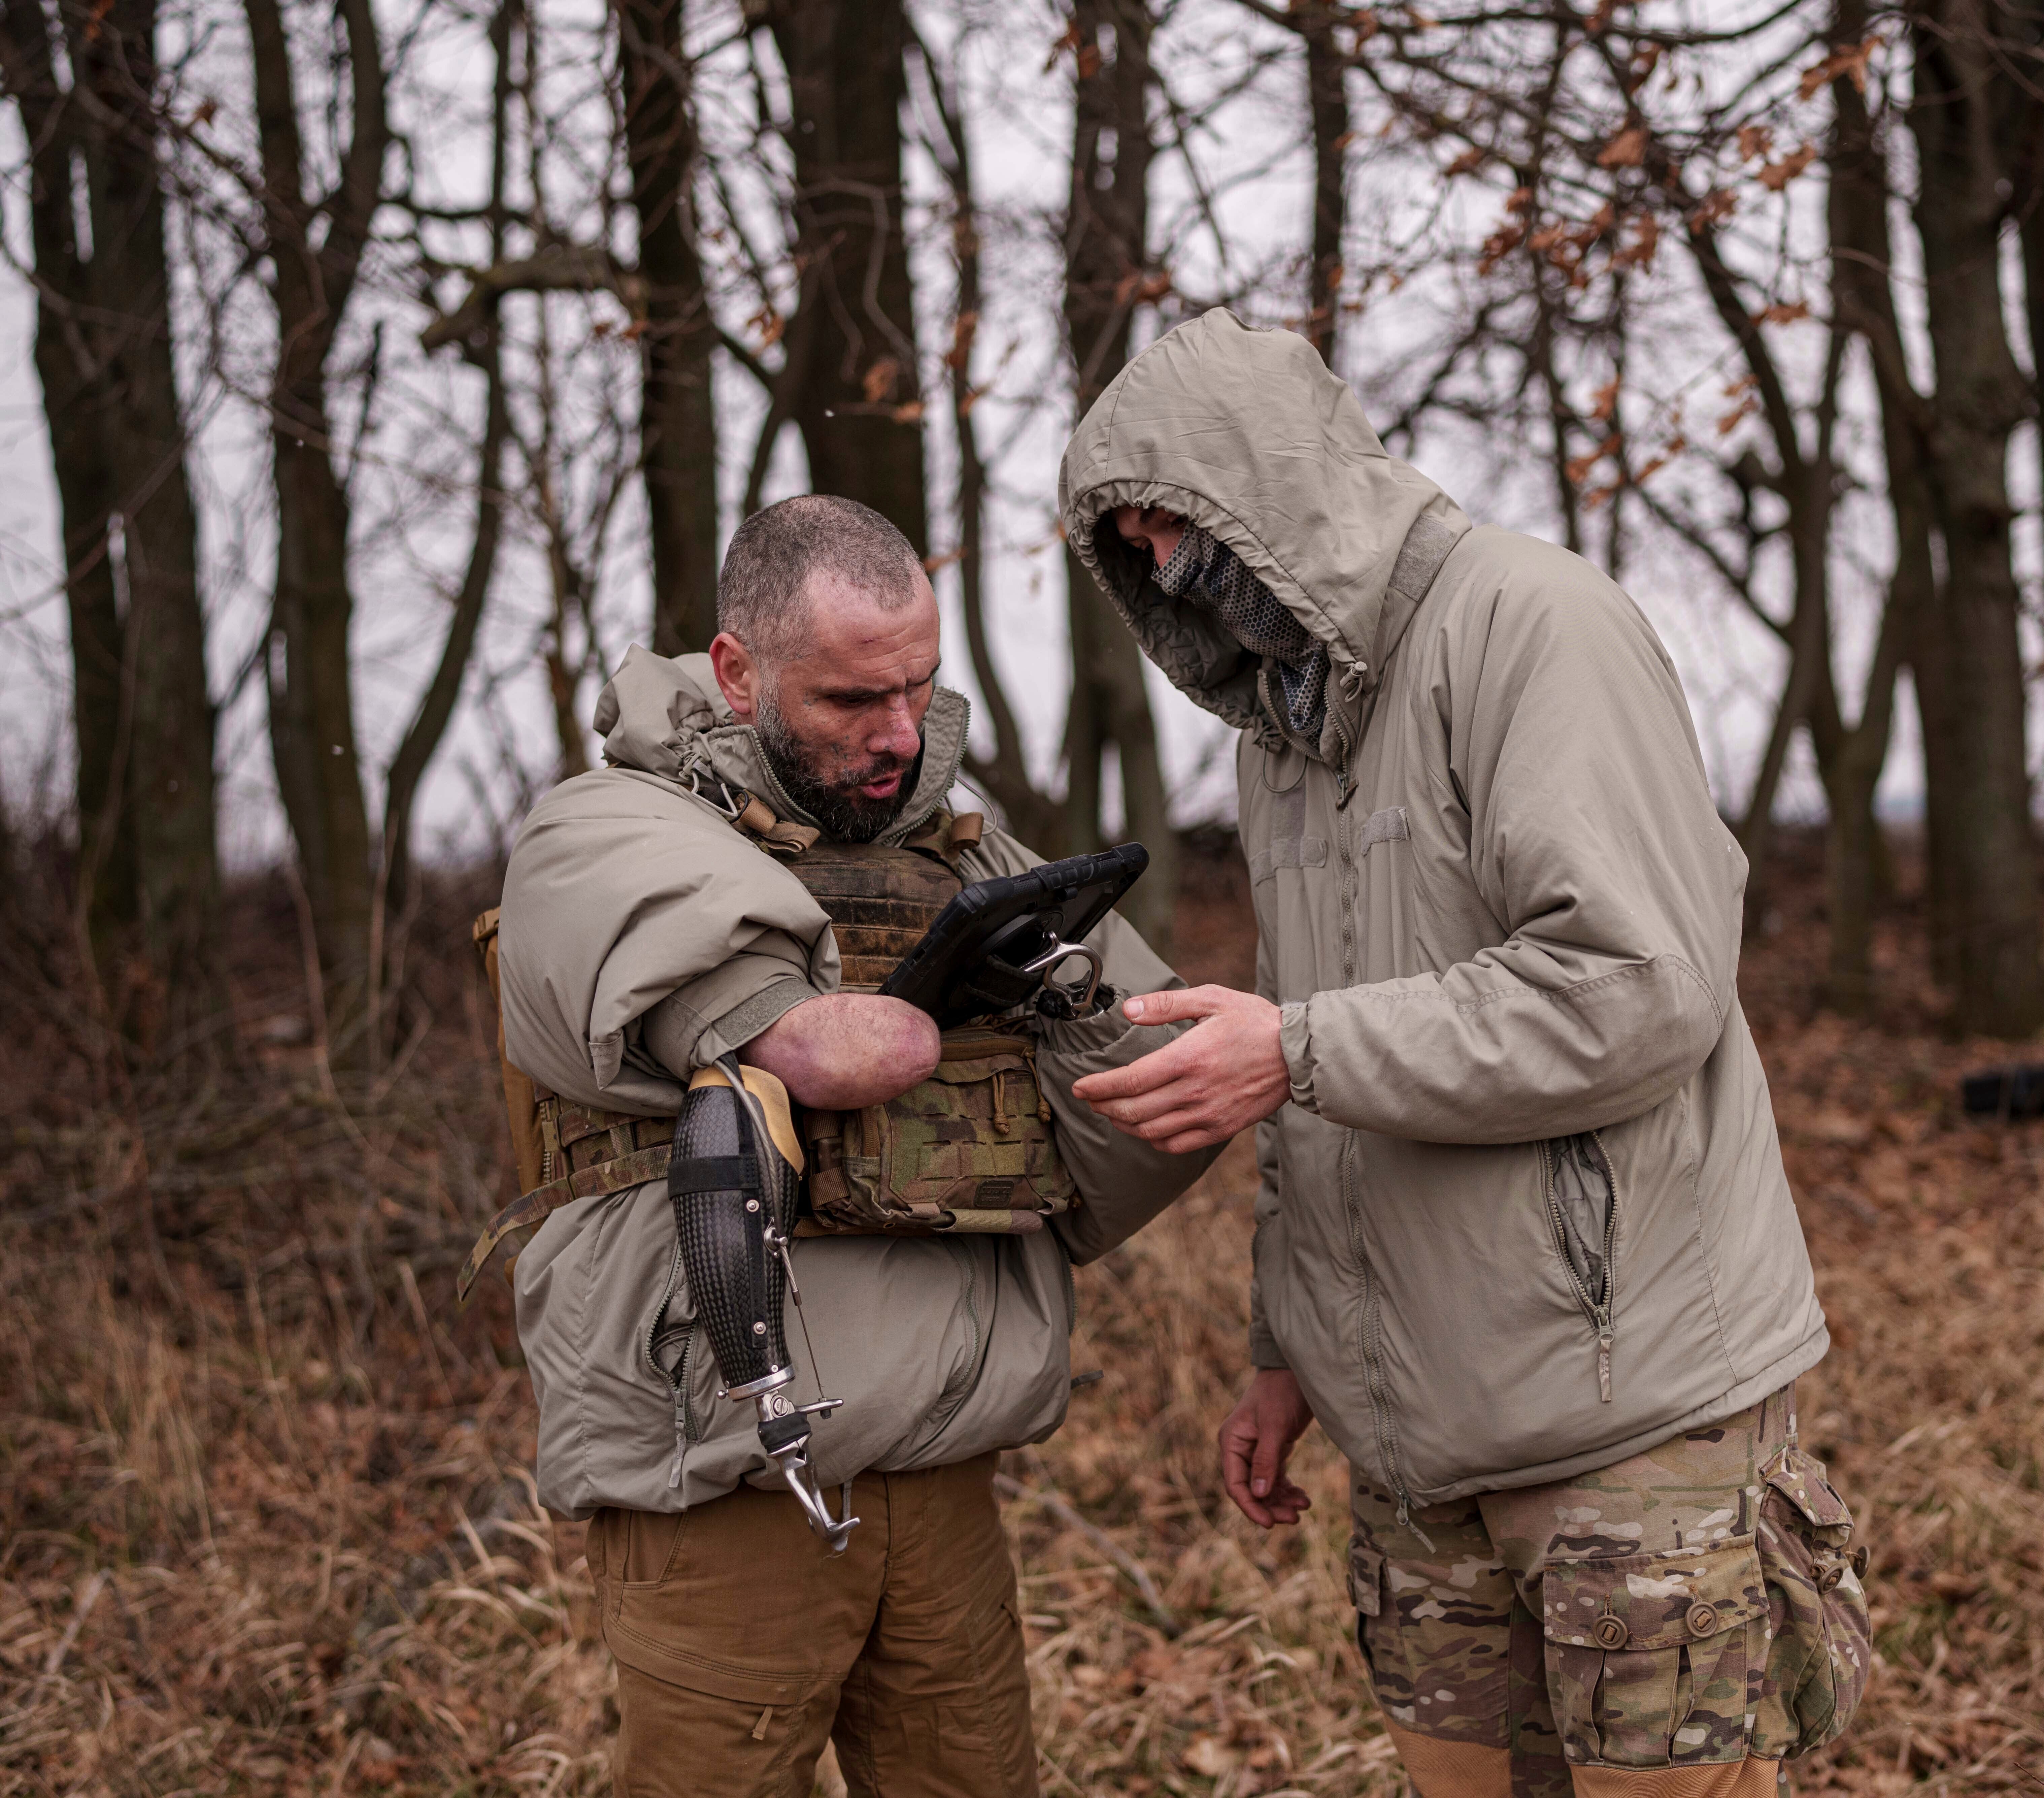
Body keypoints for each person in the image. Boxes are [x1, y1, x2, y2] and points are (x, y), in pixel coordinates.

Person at [1058, 311, 1872, 1798]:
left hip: (1627, 1428)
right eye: (1133, 542)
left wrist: (1294, 1049)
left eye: (1176, 523)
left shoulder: (1534, 626)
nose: (1165, 568)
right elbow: (1310, 1075)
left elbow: (1639, 988)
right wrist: (1283, 1352)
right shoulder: (1281, 733)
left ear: (1271, 490)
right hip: (1414, 1447)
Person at [487, 495, 1220, 1797]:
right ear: (735, 672)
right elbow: (835, 1054)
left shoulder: (958, 845)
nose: (899, 736)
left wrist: (1071, 1006)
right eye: (847, 701)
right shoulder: (599, 835)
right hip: (722, 1481)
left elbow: (1154, 1122)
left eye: (923, 687)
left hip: (943, 1477)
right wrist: (947, 1010)